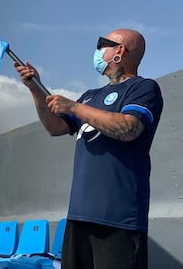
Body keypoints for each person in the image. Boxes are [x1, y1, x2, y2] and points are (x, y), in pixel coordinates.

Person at [14, 29, 163, 269]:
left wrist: (74, 107)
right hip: (79, 217)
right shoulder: (89, 96)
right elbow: (55, 127)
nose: (98, 50)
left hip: (119, 219)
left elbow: (128, 129)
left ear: (120, 51)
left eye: (102, 44)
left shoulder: (144, 89)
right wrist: (35, 88)